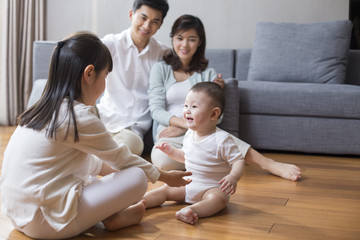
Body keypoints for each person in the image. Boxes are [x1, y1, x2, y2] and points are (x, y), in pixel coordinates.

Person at [0, 32, 191, 240]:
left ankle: (109, 216)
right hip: (45, 224)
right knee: (137, 177)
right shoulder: (77, 115)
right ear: (89, 74)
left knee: (90, 166)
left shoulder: (41, 108)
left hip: (16, 214)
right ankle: (108, 218)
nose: (105, 83)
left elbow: (96, 163)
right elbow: (122, 158)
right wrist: (165, 176)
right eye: (106, 76)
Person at [148, 14, 302, 181]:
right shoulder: (160, 69)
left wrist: (189, 125)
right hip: (169, 134)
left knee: (221, 139)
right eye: (180, 38)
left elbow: (216, 117)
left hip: (201, 132)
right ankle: (213, 161)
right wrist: (184, 124)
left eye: (191, 39)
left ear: (200, 42)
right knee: (162, 160)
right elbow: (156, 110)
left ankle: (268, 163)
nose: (184, 44)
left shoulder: (209, 74)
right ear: (172, 39)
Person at [144, 82, 245, 225]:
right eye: (185, 106)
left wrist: (233, 177)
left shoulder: (222, 139)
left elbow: (238, 161)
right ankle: (142, 201)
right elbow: (186, 157)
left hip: (212, 188)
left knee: (219, 199)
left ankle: (192, 211)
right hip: (189, 184)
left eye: (194, 106)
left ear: (214, 113)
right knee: (166, 190)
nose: (187, 110)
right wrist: (171, 151)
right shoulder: (189, 134)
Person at [96, 0, 170, 155]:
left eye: (154, 21)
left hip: (133, 130)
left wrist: (213, 81)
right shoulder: (111, 44)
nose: (147, 26)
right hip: (102, 120)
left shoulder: (163, 53)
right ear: (131, 14)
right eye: (143, 18)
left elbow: (187, 72)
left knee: (132, 146)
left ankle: (93, 160)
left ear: (160, 25)